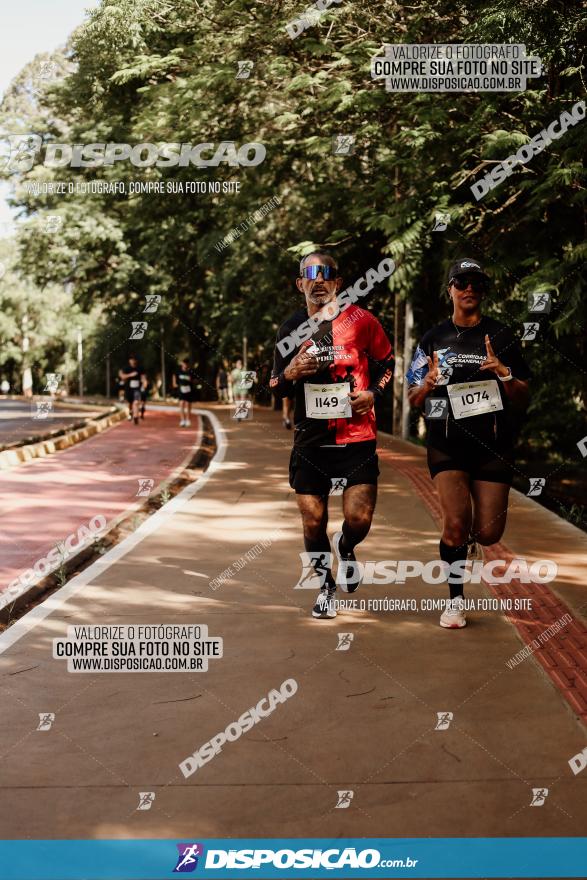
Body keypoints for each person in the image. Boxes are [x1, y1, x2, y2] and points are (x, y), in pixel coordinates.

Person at [406, 257, 531, 629]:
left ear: (484, 291)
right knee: (456, 525)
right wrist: (427, 384)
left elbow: (523, 395)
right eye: (462, 283)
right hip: (448, 442)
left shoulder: (502, 337)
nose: (470, 289)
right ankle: (455, 601)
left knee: (490, 531)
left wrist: (504, 373)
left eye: (477, 283)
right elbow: (413, 397)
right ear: (450, 290)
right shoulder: (432, 339)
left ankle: (469, 544)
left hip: (493, 444)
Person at [271, 252, 394, 620]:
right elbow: (275, 385)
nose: (318, 280)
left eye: (327, 274)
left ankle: (347, 545)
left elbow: (387, 362)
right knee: (312, 521)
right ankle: (325, 587)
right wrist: (290, 373)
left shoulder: (361, 321)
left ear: (338, 283)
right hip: (310, 441)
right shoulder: (289, 329)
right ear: (300, 283)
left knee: (359, 518)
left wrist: (374, 394)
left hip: (356, 436)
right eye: (311, 273)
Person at [119, 355, 147, 425]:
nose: (133, 361)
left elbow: (143, 378)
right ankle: (130, 412)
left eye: (134, 359)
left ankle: (135, 417)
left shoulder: (139, 368)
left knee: (136, 402)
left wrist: (144, 384)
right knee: (129, 403)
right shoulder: (126, 368)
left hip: (137, 389)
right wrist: (130, 375)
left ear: (136, 361)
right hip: (128, 388)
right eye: (131, 359)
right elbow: (122, 376)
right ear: (129, 361)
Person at [172, 357, 197, 427]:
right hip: (181, 389)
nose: (185, 365)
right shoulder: (178, 371)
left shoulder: (191, 371)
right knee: (181, 403)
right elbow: (174, 375)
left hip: (189, 389)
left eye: (186, 364)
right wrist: (174, 383)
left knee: (188, 404)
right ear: (182, 363)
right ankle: (182, 420)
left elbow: (195, 380)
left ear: (188, 364)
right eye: (184, 363)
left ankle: (188, 419)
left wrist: (191, 381)